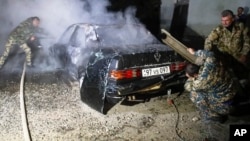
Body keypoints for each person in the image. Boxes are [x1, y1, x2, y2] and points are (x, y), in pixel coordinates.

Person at [184, 48, 236, 123]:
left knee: (194, 95)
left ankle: (212, 116)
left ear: (195, 75)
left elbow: (187, 87)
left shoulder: (199, 83)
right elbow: (211, 54)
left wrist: (190, 78)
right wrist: (194, 52)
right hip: (234, 95)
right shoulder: (211, 62)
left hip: (226, 107)